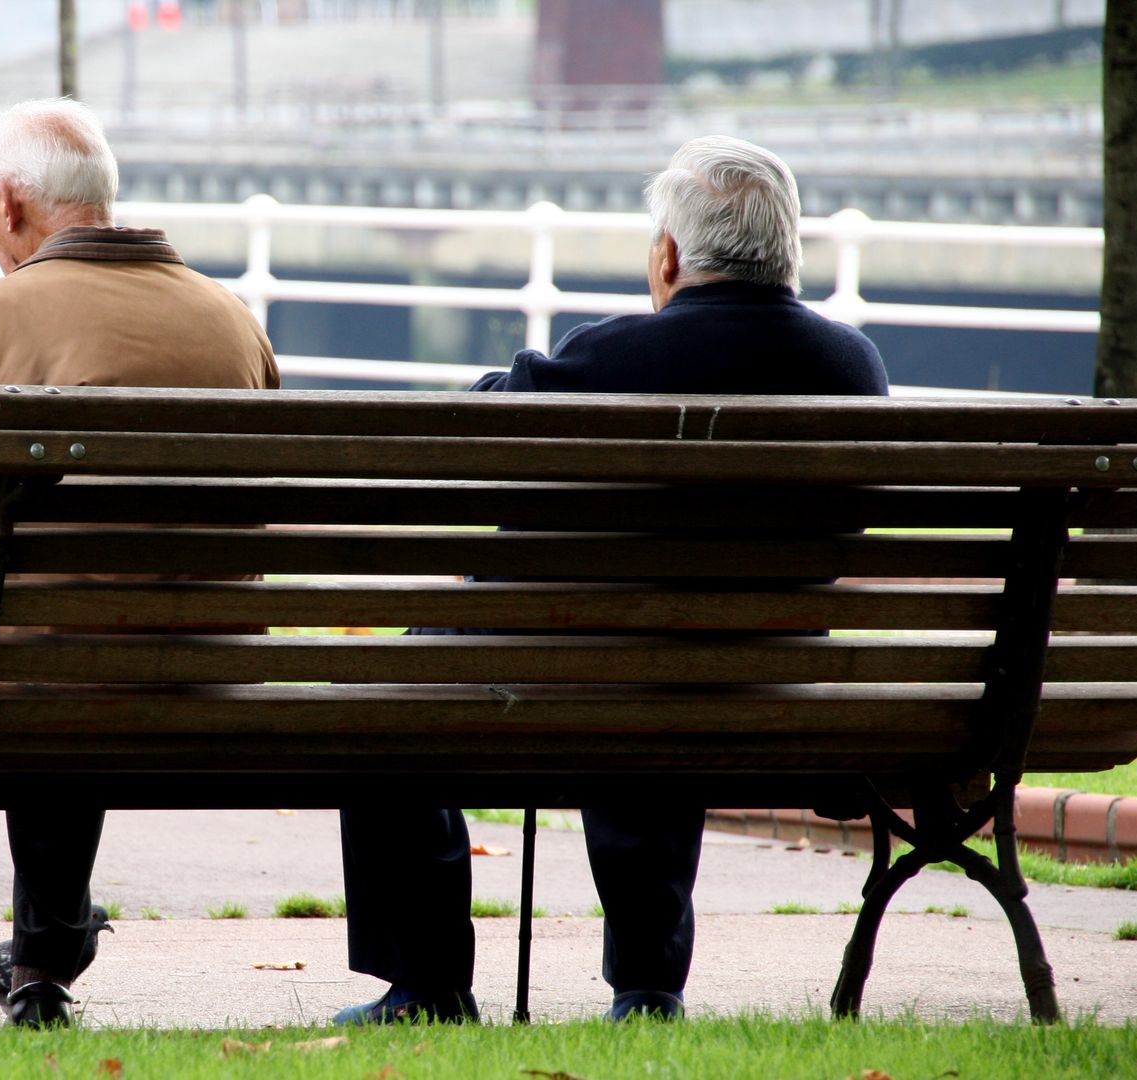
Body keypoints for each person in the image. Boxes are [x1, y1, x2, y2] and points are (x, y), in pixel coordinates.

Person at [335, 135, 888, 1025]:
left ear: (668, 256)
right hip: (768, 674)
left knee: (379, 694)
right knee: (656, 659)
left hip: (586, 667)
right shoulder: (852, 369)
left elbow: (469, 433)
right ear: (788, 254)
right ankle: (647, 986)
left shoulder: (608, 358)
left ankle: (428, 982)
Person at [0, 98, 278, 1032]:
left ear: (9, 203)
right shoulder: (233, 325)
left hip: (24, 693)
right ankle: (44, 967)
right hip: (203, 682)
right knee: (67, 637)